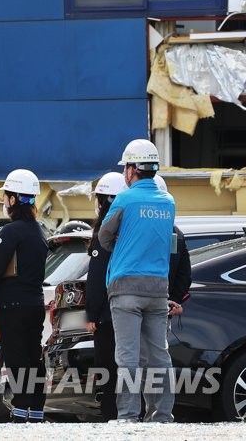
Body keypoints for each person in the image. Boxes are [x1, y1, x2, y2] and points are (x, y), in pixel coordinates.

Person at [99, 139, 176, 423]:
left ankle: (129, 415)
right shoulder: (169, 202)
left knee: (128, 356)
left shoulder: (125, 199)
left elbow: (104, 237)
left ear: (132, 169)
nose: (124, 174)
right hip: (157, 289)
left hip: (126, 289)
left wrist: (122, 242)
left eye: (125, 168)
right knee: (159, 355)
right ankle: (162, 414)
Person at [0, 169, 48, 423]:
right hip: (35, 305)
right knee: (33, 358)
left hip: (13, 307)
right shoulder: (39, 232)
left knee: (16, 360)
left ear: (14, 199)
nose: (4, 201)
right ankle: (36, 410)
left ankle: (20, 410)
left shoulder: (9, 232)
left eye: (6, 196)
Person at [84, 171, 127, 421]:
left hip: (108, 316)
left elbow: (97, 277)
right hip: (131, 310)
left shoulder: (105, 234)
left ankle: (112, 420)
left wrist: (92, 312)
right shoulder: (130, 231)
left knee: (108, 375)